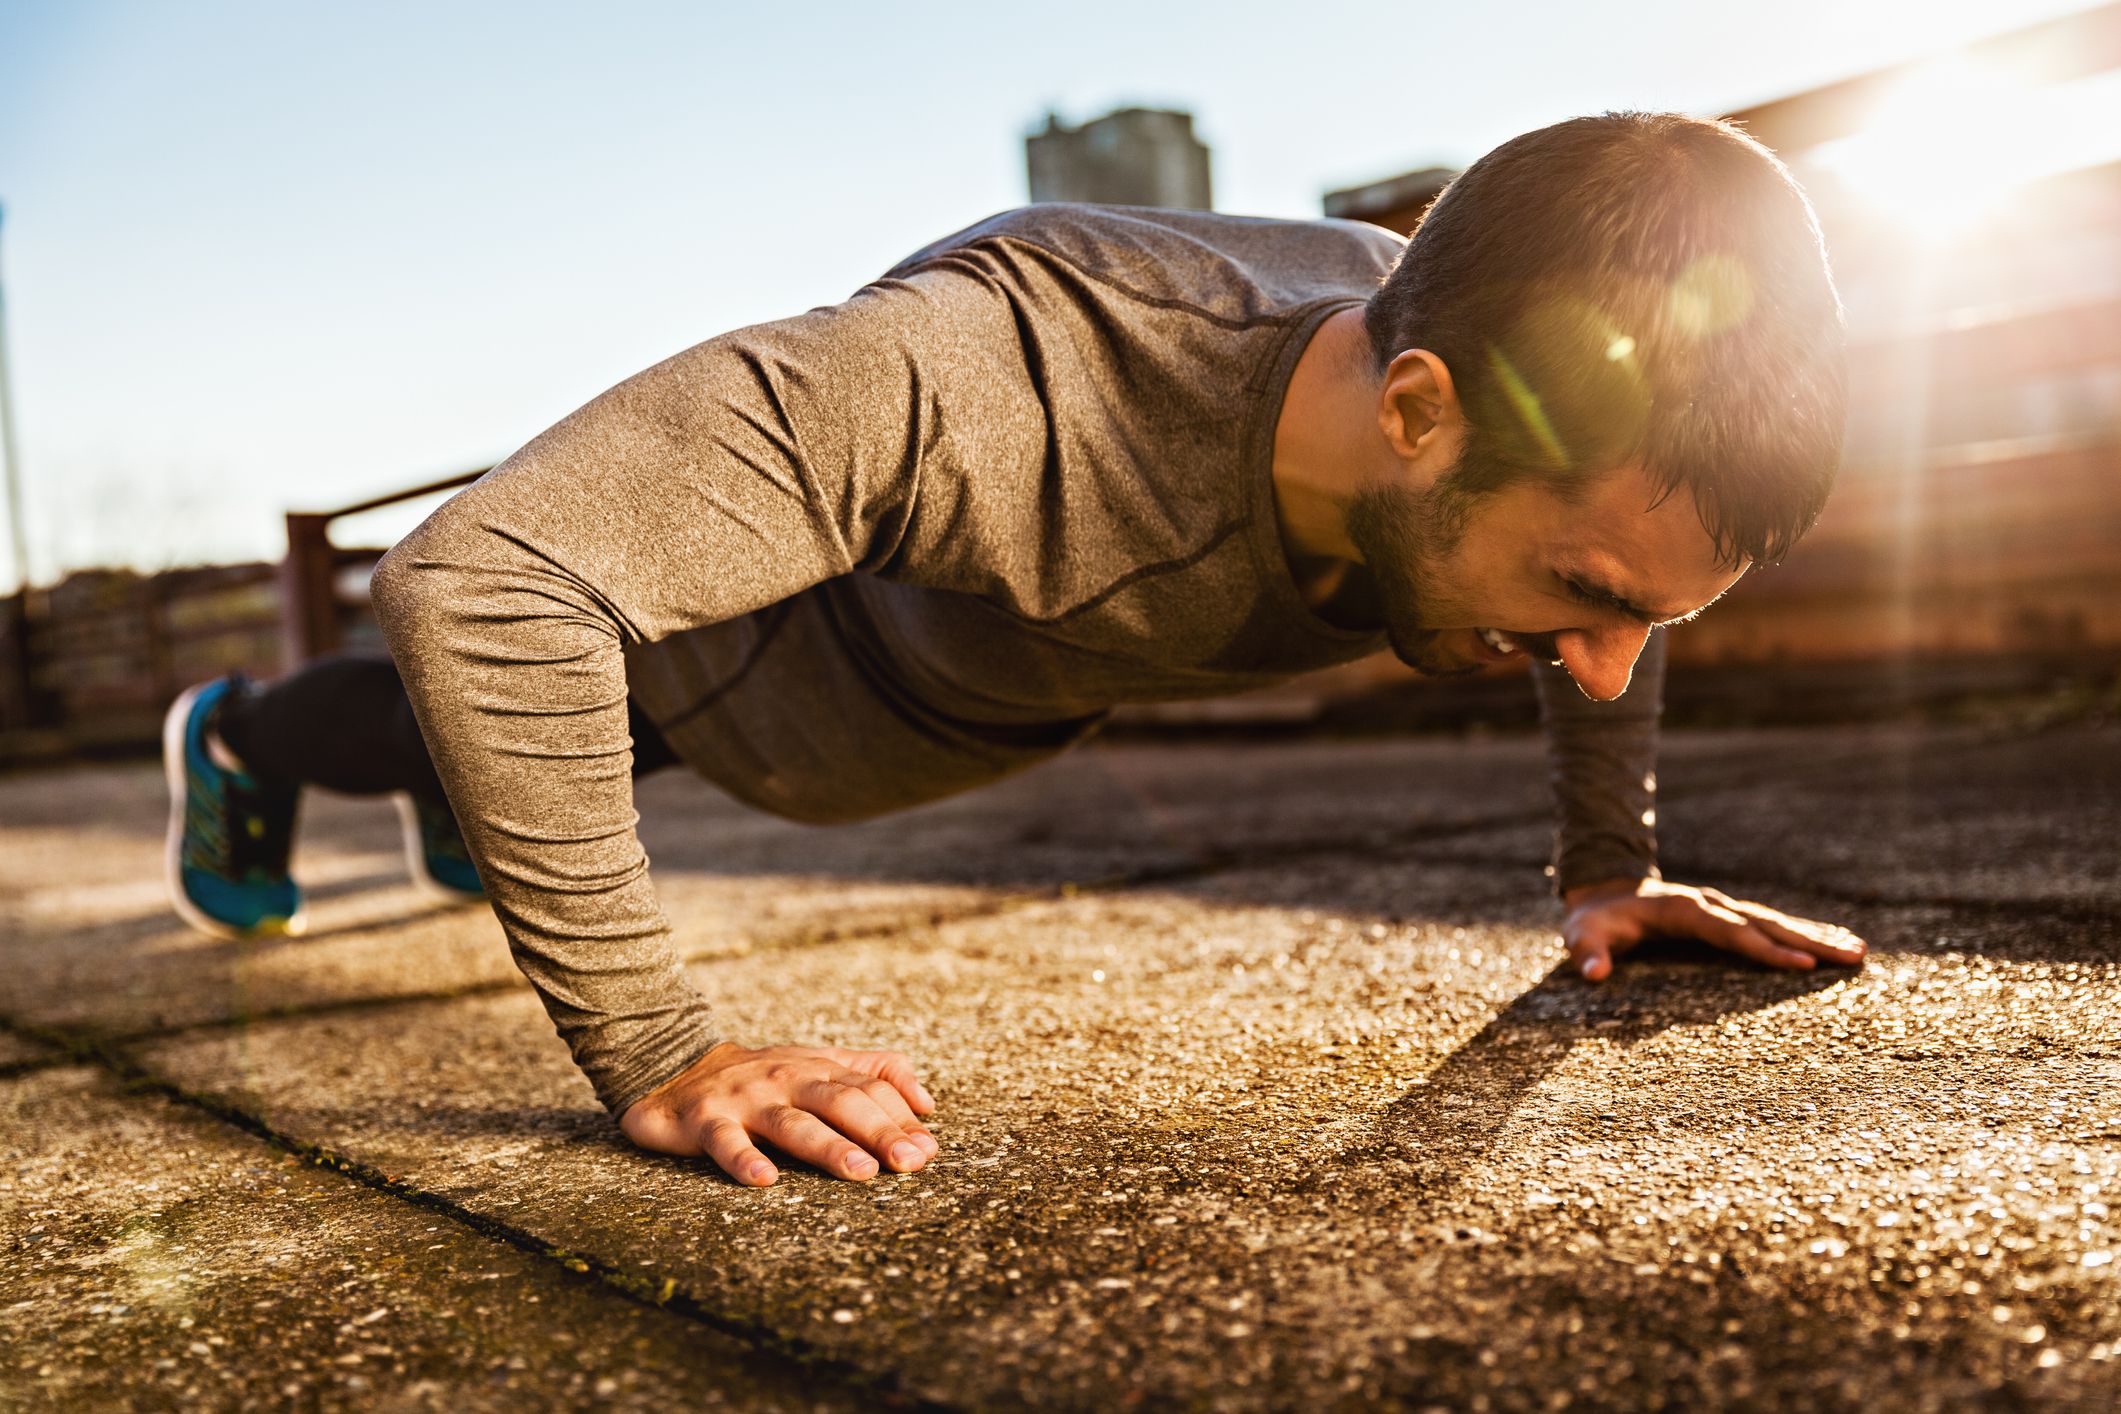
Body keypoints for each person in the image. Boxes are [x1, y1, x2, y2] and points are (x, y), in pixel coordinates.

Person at [165, 111, 1867, 1189]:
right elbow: (487, 577)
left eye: (1645, 621)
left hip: (955, 698)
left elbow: (1609, 582)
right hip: (748, 673)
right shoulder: (994, 377)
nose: (1597, 665)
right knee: (466, 705)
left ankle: (483, 787)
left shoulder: (1494, 387)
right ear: (1414, 415)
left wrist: (1607, 863)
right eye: (1576, 593)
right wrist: (660, 1048)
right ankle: (237, 733)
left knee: (511, 746)